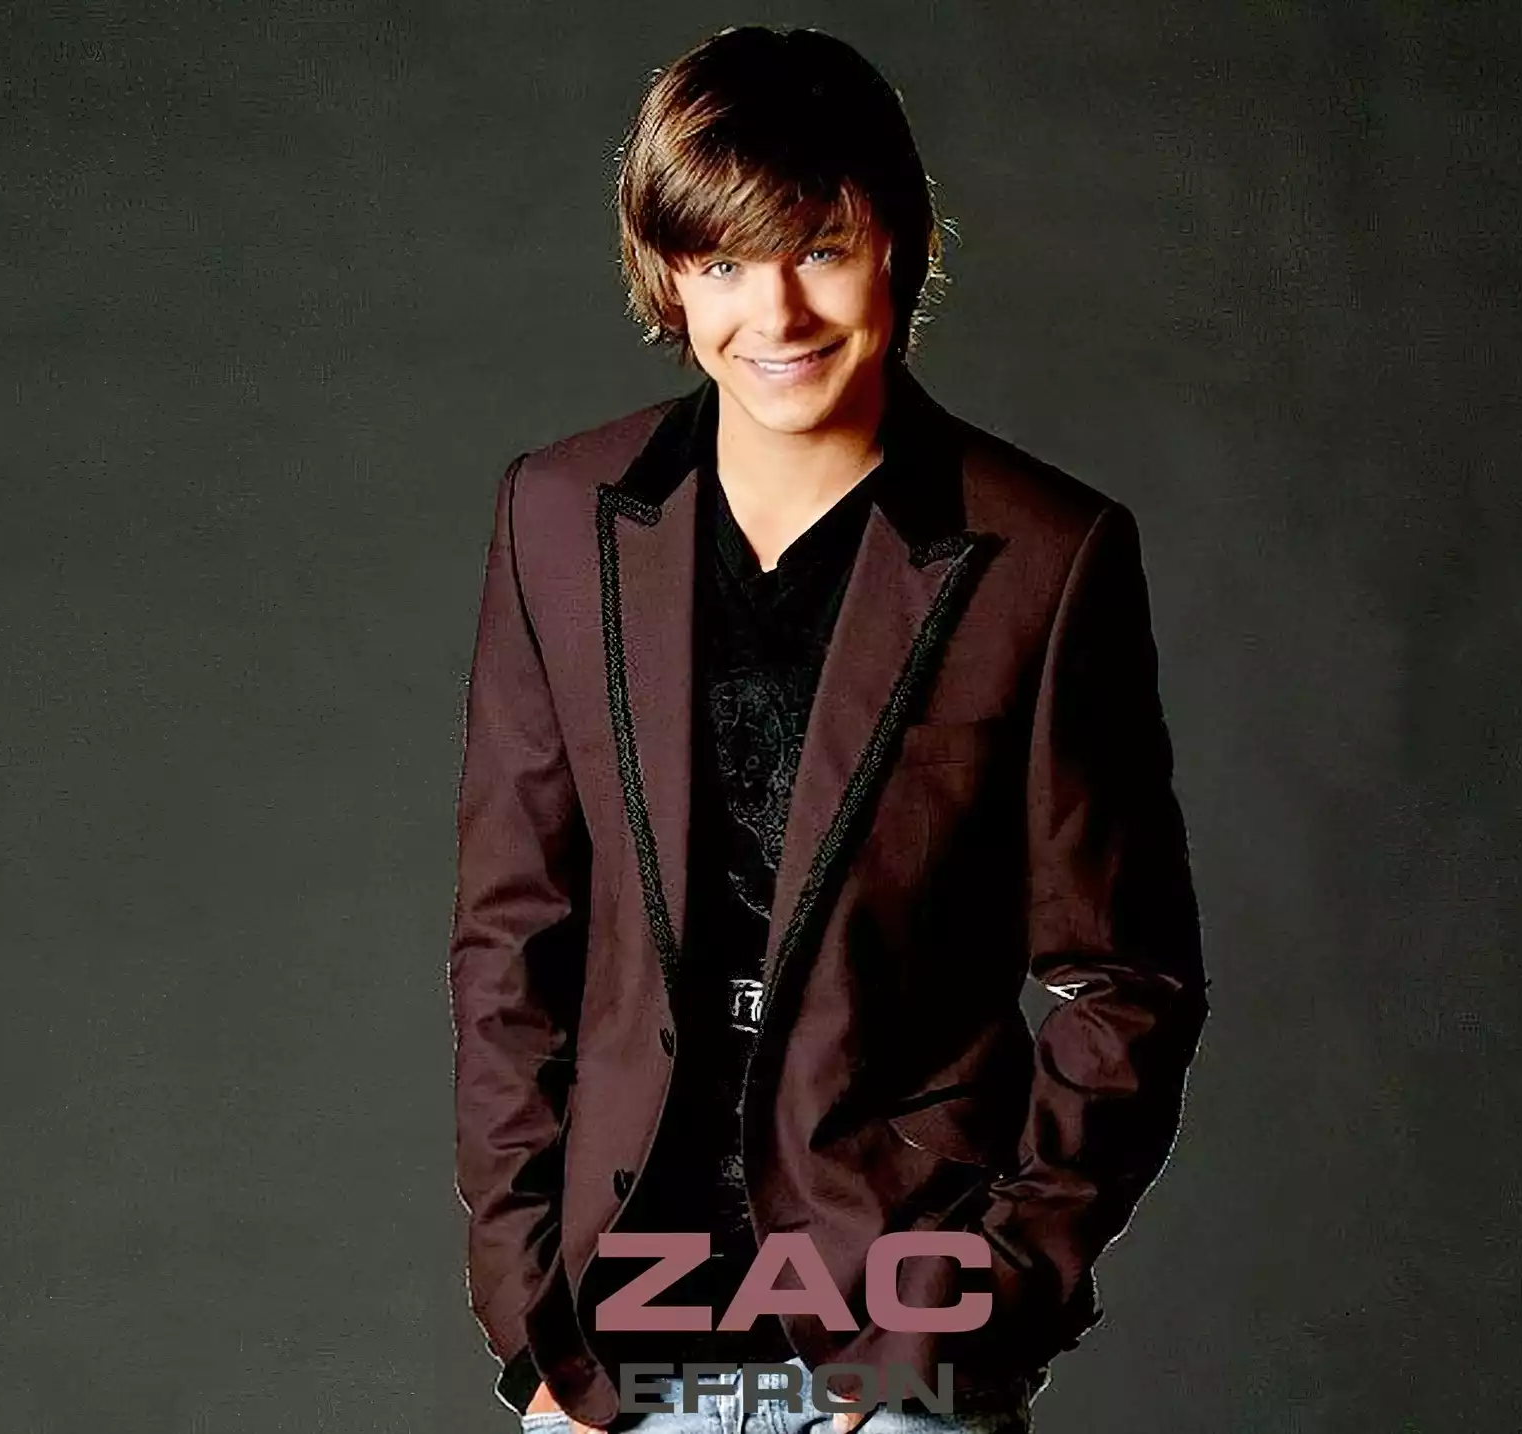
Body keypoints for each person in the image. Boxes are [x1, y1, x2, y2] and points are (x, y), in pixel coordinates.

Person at [448, 25, 1209, 1434]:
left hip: (894, 1332)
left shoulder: (1045, 556)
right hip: (618, 1339)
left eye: (819, 248)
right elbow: (514, 933)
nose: (777, 312)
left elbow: (1128, 983)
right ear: (668, 274)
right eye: (724, 261)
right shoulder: (557, 519)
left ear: (899, 247)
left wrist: (971, 1313)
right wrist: (525, 1304)